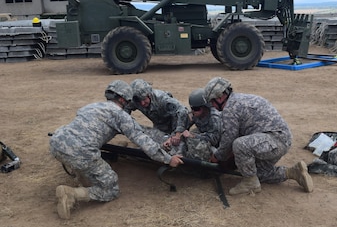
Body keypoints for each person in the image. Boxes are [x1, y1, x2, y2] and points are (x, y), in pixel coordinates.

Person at [49, 80, 183, 219]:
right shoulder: (120, 115)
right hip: (80, 153)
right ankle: (71, 194)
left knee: (84, 155)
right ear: (123, 99)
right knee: (111, 189)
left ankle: (81, 173)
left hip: (56, 143)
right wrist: (168, 159)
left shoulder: (91, 106)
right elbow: (143, 141)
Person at [203, 77, 314, 195]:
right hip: (279, 140)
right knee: (257, 173)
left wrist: (218, 156)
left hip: (274, 140)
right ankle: (293, 172)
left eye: (212, 102)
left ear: (220, 97)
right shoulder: (241, 98)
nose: (212, 106)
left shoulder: (230, 108)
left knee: (239, 145)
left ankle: (250, 184)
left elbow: (229, 139)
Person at [128, 79, 189, 150]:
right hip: (160, 126)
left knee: (176, 145)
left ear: (149, 95)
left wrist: (178, 134)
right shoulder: (136, 100)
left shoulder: (162, 99)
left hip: (174, 123)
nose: (142, 103)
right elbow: (125, 109)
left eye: (144, 99)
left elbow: (182, 111)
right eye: (139, 101)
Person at [181, 88, 223, 160]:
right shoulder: (195, 113)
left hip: (218, 145)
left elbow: (214, 139)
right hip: (205, 136)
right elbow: (184, 124)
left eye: (196, 108)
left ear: (205, 107)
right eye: (192, 108)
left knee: (195, 142)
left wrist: (193, 136)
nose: (193, 111)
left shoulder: (215, 117)